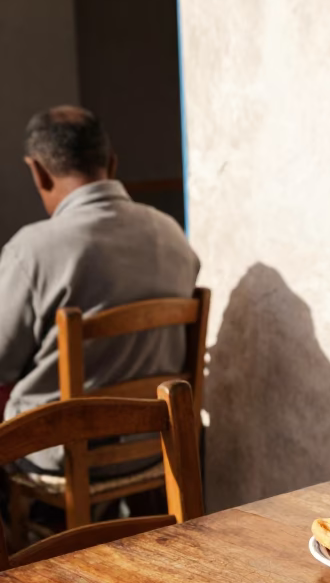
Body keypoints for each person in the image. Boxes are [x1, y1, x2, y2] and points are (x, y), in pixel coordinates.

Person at [0, 106, 199, 471]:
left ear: (39, 172)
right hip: (157, 444)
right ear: (111, 163)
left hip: (63, 453)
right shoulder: (171, 233)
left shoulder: (31, 251)